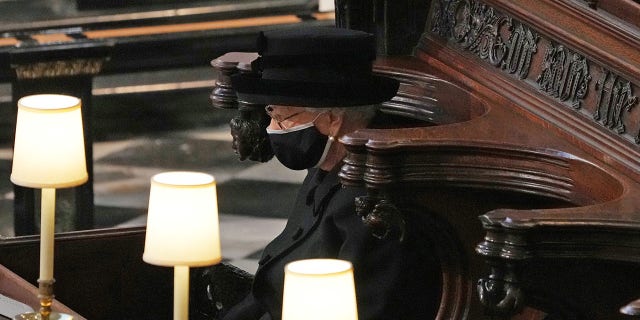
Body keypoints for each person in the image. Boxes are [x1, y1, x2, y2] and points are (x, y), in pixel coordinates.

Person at [203, 26, 440, 320]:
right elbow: (266, 294)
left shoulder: (374, 204)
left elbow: (369, 310)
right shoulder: (329, 167)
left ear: (332, 121)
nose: (273, 127)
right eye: (271, 113)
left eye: (283, 117)